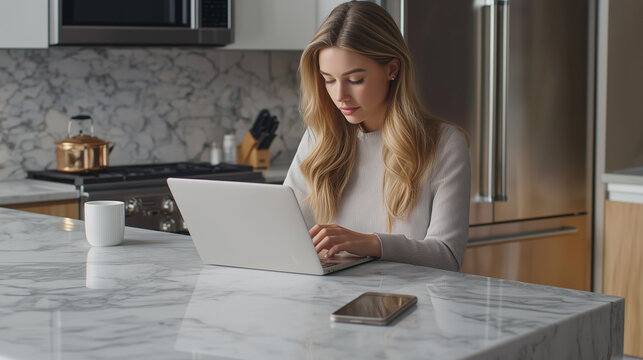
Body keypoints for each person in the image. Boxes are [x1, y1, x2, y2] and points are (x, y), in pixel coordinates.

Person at [283, 1, 470, 271]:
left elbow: (447, 256)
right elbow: (285, 233)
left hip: (411, 303)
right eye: (328, 79)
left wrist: (371, 243)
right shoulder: (319, 138)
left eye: (355, 79)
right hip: (327, 303)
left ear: (392, 69)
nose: (340, 96)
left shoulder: (444, 143)